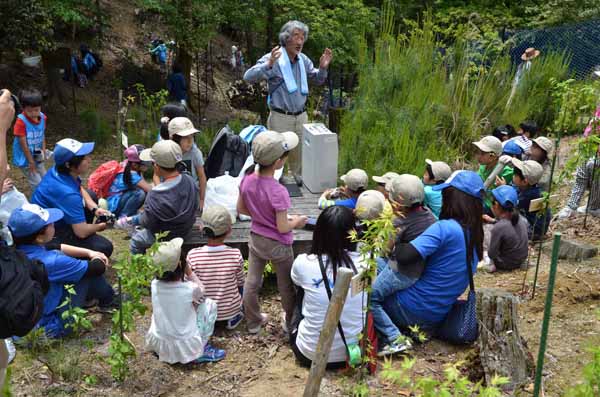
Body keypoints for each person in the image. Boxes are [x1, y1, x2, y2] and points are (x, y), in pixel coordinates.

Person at [379, 171, 483, 339]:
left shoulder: (445, 228)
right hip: (436, 315)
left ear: (453, 198)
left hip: (409, 309)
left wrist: (395, 238)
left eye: (445, 193)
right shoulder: (475, 234)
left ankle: (389, 337)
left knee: (377, 264)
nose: (442, 197)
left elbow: (405, 256)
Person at [244, 20, 333, 184]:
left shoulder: (303, 60)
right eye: (296, 36)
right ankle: (278, 180)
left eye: (303, 37)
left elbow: (318, 79)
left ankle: (297, 177)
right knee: (278, 151)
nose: (300, 41)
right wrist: (269, 64)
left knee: (300, 151)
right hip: (280, 115)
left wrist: (323, 68)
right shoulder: (275, 57)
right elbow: (248, 77)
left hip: (301, 115)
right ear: (286, 38)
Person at [237, 130, 308, 334]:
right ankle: (290, 322)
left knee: (252, 282)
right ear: (278, 162)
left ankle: (253, 322)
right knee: (285, 285)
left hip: (256, 239)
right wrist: (297, 221)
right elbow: (282, 226)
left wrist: (261, 215)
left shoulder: (247, 179)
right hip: (279, 244)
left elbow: (241, 209)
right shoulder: (278, 191)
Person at [8, 204, 116, 337]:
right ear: (39, 237)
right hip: (48, 329)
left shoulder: (15, 250)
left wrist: (90, 252)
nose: (53, 224)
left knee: (74, 269)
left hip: (19, 326)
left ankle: (96, 300)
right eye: (49, 224)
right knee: (84, 274)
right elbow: (97, 269)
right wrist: (99, 258)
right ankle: (109, 301)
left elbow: (56, 246)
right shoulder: (51, 261)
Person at [290, 206, 367, 368]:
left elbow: (295, 282)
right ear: (353, 234)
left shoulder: (303, 262)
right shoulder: (366, 262)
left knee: (302, 291)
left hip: (309, 354)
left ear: (318, 233)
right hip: (353, 353)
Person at [371, 174, 436, 355]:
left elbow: (384, 249)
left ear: (397, 203)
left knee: (371, 298)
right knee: (376, 264)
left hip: (402, 270)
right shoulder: (429, 215)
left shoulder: (399, 220)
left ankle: (394, 338)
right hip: (416, 267)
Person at [145, 237, 225, 364]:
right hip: (186, 343)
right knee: (210, 305)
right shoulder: (189, 289)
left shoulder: (154, 284)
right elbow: (202, 290)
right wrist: (190, 273)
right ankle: (200, 350)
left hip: (160, 339)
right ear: (180, 264)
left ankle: (166, 351)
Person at [31, 138, 113, 257]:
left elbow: (78, 187)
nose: (89, 160)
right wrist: (101, 226)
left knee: (91, 196)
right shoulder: (67, 194)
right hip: (50, 234)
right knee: (104, 247)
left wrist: (95, 208)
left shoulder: (59, 171)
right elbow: (81, 232)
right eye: (84, 158)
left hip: (57, 220)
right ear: (69, 164)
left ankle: (81, 236)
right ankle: (74, 247)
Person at [115, 140, 199, 254]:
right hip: (186, 229)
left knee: (136, 241)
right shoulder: (189, 180)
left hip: (165, 235)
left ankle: (140, 269)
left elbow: (147, 221)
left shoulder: (155, 194)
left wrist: (131, 220)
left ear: (157, 167)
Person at [187, 205, 245, 330]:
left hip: (203, 312)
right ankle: (233, 317)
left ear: (201, 228)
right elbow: (240, 283)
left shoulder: (193, 255)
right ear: (229, 231)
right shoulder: (235, 254)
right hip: (230, 311)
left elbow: (189, 286)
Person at [479, 186, 529, 273]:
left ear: (497, 205)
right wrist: (494, 221)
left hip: (506, 263)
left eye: (492, 203)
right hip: (520, 259)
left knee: (485, 232)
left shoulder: (499, 227)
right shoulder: (521, 218)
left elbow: (492, 254)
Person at [12, 88, 49, 191]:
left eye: (36, 110)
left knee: (45, 177)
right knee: (37, 183)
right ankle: (37, 202)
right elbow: (23, 145)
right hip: (25, 157)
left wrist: (43, 151)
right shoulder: (21, 121)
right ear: (23, 108)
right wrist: (31, 162)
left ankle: (45, 196)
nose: (33, 113)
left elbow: (42, 134)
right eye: (29, 111)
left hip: (36, 153)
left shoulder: (43, 118)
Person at [167, 117, 207, 211]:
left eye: (192, 137)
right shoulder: (168, 152)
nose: (190, 141)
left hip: (191, 192)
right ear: (175, 138)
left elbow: (202, 176)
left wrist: (201, 199)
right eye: (185, 138)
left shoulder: (195, 153)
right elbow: (158, 174)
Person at [104, 145, 152, 218]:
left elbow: (144, 184)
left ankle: (129, 213)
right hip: (114, 207)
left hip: (114, 201)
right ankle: (124, 217)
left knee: (140, 191)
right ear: (135, 164)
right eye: (144, 162)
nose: (147, 164)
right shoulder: (133, 174)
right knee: (139, 193)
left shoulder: (127, 164)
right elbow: (151, 190)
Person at [508, 159, 550, 240]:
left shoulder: (529, 195)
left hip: (533, 231)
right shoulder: (531, 188)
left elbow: (512, 203)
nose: (513, 176)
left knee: (509, 212)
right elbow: (516, 191)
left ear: (524, 182)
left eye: (515, 175)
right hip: (535, 225)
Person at [473, 136, 513, 211]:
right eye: (478, 152)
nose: (478, 156)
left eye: (482, 153)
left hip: (491, 207)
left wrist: (502, 187)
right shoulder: (483, 165)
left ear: (493, 156)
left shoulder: (506, 172)